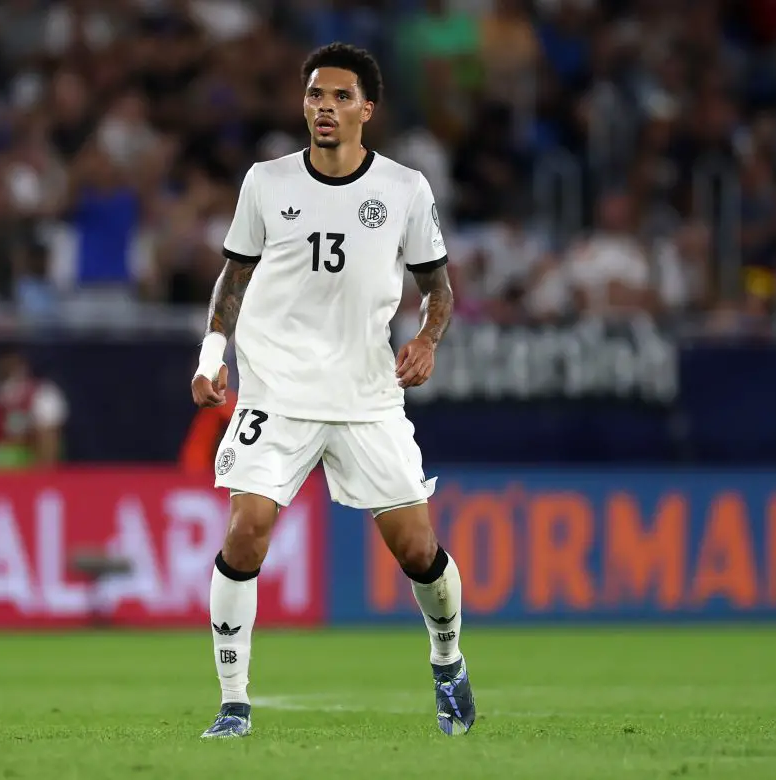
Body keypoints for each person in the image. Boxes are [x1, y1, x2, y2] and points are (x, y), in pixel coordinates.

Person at [190, 43, 473, 739]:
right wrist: (211, 354)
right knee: (247, 528)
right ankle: (234, 702)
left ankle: (447, 659)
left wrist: (428, 341)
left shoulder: (405, 190)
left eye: (341, 97)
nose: (325, 107)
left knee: (415, 548)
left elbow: (438, 287)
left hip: (365, 394)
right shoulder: (266, 182)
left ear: (366, 110)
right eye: (316, 95)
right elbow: (234, 279)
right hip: (276, 389)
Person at [0, 347, 67, 469]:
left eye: (11, 361)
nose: (5, 366)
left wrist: (43, 474)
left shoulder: (42, 394)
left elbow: (49, 439)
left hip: (27, 474)